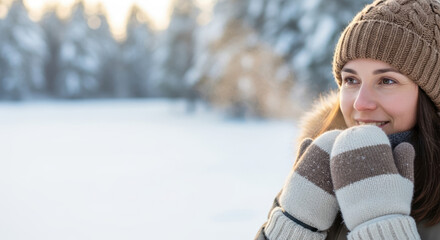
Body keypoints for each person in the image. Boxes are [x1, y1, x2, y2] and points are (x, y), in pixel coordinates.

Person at [255, 0, 440, 239]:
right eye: (351, 80)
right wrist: (292, 227)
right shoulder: (319, 168)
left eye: (387, 81)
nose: (361, 103)